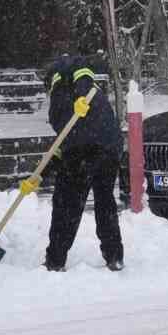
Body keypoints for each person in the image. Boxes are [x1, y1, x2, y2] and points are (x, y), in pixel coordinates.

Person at [43, 54, 124, 272]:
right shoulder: (92, 91)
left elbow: (66, 132)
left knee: (66, 205)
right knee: (105, 203)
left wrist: (51, 165)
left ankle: (55, 261)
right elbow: (67, 135)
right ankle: (114, 256)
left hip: (83, 150)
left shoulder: (62, 89)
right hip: (109, 148)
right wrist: (44, 169)